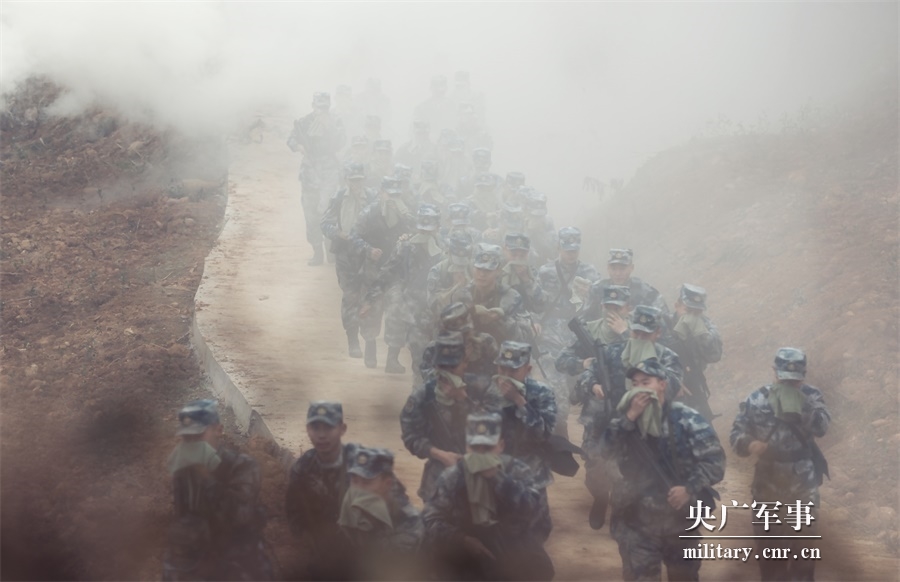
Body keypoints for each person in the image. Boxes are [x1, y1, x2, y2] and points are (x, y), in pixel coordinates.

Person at [602, 359, 725, 581]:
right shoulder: (624, 421)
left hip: (680, 522)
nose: (639, 388)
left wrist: (689, 488)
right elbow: (604, 450)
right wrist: (629, 418)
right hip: (636, 522)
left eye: (646, 382)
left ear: (662, 385)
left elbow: (715, 462)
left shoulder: (687, 419)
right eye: (635, 383)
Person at [730, 348, 830, 582]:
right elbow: (736, 436)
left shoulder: (812, 396)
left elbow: (822, 428)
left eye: (794, 380)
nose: (789, 384)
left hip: (802, 484)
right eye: (784, 379)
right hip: (768, 483)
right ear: (774, 372)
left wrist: (803, 405)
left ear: (803, 376)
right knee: (770, 553)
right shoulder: (757, 399)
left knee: (804, 554)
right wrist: (750, 444)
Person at [423, 412, 554, 581]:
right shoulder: (453, 477)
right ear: (466, 446)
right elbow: (430, 521)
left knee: (540, 569)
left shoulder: (517, 471)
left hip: (511, 553)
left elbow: (538, 517)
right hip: (464, 555)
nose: (481, 455)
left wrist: (499, 479)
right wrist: (462, 540)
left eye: (487, 448)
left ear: (501, 446)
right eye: (475, 448)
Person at [163, 399, 273, 581]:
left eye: (198, 436)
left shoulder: (242, 466)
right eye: (187, 438)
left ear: (218, 430)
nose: (193, 444)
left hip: (237, 557)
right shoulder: (184, 471)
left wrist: (206, 477)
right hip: (200, 557)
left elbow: (240, 516)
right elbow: (183, 515)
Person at [553, 283, 630, 529]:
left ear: (627, 308)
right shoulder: (589, 331)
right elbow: (561, 360)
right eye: (608, 306)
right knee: (595, 463)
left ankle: (620, 509)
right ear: (602, 305)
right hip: (596, 411)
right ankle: (600, 497)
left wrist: (625, 333)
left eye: (617, 307)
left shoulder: (635, 334)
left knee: (625, 463)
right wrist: (583, 365)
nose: (612, 311)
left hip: (628, 411)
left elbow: (648, 360)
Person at [482, 341, 557, 541]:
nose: (506, 375)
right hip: (496, 474)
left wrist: (519, 401)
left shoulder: (541, 393)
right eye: (502, 369)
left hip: (531, 474)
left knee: (538, 530)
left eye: (513, 370)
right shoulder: (487, 393)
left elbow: (543, 433)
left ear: (527, 369)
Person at [365, 204, 445, 375]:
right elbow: (388, 271)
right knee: (396, 309)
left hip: (430, 295)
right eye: (422, 229)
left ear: (438, 227)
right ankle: (392, 358)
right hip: (407, 291)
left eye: (429, 229)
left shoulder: (444, 247)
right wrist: (371, 299)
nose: (425, 233)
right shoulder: (406, 246)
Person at [536, 227, 600, 438]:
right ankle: (560, 431)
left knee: (585, 386)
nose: (571, 254)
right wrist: (535, 322)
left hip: (579, 336)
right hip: (551, 333)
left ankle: (590, 435)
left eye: (574, 249)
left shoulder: (590, 272)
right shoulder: (545, 271)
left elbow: (599, 306)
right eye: (567, 249)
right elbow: (535, 301)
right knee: (557, 385)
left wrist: (590, 294)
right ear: (558, 247)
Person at [401, 330, 473, 501]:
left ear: (465, 363)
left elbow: (500, 427)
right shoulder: (423, 397)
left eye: (453, 367)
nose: (447, 373)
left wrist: (464, 402)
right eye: (442, 367)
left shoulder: (480, 389)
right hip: (438, 478)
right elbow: (411, 436)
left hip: (479, 478)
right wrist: (440, 454)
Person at [352, 177, 416, 368]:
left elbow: (419, 230)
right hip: (373, 270)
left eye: (397, 194)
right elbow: (354, 236)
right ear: (381, 193)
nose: (393, 198)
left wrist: (408, 233)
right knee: (371, 310)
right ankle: (370, 351)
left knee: (396, 313)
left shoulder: (405, 212)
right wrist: (368, 249)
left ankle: (392, 359)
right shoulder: (369, 212)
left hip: (396, 273)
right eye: (390, 194)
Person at [338, 447, 424, 580]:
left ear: (387, 484)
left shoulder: (409, 523)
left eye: (366, 482)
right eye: (355, 481)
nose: (358, 489)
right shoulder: (350, 512)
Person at [321, 162, 378, 358]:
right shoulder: (338, 198)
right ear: (347, 180)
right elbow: (325, 224)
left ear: (364, 179)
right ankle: (353, 341)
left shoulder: (373, 198)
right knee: (350, 296)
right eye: (353, 180)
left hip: (368, 254)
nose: (356, 184)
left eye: (359, 180)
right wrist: (338, 233)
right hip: (346, 254)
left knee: (371, 297)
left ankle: (370, 341)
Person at [287, 92, 347, 266]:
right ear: (313, 106)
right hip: (309, 172)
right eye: (319, 107)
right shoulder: (304, 122)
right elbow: (291, 140)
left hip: (329, 171)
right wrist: (298, 146)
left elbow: (341, 142)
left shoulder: (335, 121)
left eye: (325, 107)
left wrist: (330, 128)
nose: (322, 110)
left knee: (328, 211)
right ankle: (317, 251)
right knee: (310, 213)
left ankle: (330, 251)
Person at [665, 284, 723, 424]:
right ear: (677, 306)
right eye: (688, 310)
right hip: (667, 386)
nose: (691, 316)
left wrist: (701, 334)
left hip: (694, 384)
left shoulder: (705, 325)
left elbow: (714, 355)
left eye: (697, 312)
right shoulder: (663, 323)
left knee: (703, 425)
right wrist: (672, 379)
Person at [449, 243, 526, 344]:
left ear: (498, 271)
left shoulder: (511, 297)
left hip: (502, 350)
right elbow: (448, 329)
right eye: (478, 269)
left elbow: (524, 335)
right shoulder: (461, 295)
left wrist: (501, 319)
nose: (482, 274)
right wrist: (469, 311)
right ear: (472, 268)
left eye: (488, 270)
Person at [419, 302, 500, 382]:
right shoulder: (434, 349)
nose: (466, 337)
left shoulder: (486, 341)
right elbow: (429, 380)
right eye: (462, 334)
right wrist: (453, 363)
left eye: (468, 332)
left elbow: (500, 372)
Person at [596, 248, 668, 314]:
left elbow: (664, 317)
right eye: (613, 269)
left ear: (631, 268)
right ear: (608, 268)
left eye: (622, 269)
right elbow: (589, 318)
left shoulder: (646, 292)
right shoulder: (597, 290)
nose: (617, 273)